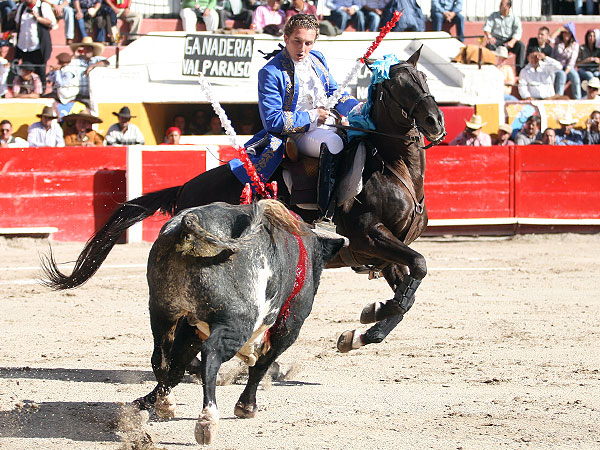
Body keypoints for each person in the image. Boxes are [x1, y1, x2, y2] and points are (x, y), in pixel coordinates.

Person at [254, 14, 359, 218]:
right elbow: (272, 120)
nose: (302, 48)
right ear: (285, 38)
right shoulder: (270, 72)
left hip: (329, 123)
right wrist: (312, 116)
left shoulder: (317, 59)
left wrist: (356, 109)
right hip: (298, 133)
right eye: (297, 41)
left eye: (308, 43)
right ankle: (326, 214)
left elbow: (334, 92)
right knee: (334, 144)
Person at [13, 0, 56, 90]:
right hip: (24, 46)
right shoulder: (22, 7)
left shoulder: (43, 6)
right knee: (25, 72)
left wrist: (38, 18)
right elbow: (17, 23)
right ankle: (25, 92)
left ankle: (41, 92)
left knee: (40, 71)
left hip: (38, 47)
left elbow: (51, 22)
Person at [483, 0, 525, 74]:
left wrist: (512, 41)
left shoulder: (514, 17)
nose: (500, 6)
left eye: (502, 4)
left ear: (508, 7)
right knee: (489, 45)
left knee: (521, 46)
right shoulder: (494, 15)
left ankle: (519, 71)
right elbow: (487, 28)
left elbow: (518, 32)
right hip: (496, 39)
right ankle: (489, 68)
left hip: (509, 39)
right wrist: (489, 37)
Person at [69, 37, 109, 106]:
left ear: (93, 50)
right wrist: (75, 54)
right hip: (79, 96)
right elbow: (66, 62)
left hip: (92, 96)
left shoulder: (96, 59)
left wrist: (92, 66)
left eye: (89, 49)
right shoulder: (77, 60)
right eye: (85, 49)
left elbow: (106, 62)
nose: (87, 51)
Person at [551, 23, 581, 99]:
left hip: (568, 67)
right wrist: (559, 29)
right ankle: (558, 97)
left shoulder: (575, 44)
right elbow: (550, 39)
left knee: (575, 77)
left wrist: (566, 72)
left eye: (568, 32)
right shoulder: (558, 41)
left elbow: (572, 61)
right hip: (556, 66)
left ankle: (578, 99)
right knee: (562, 75)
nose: (566, 34)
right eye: (565, 32)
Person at [576, 29, 600, 96]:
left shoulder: (598, 50)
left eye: (593, 36)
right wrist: (586, 61)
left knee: (597, 75)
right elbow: (577, 63)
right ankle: (588, 96)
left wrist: (598, 60)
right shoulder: (581, 48)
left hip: (594, 70)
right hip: (583, 70)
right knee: (590, 76)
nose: (591, 38)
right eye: (590, 36)